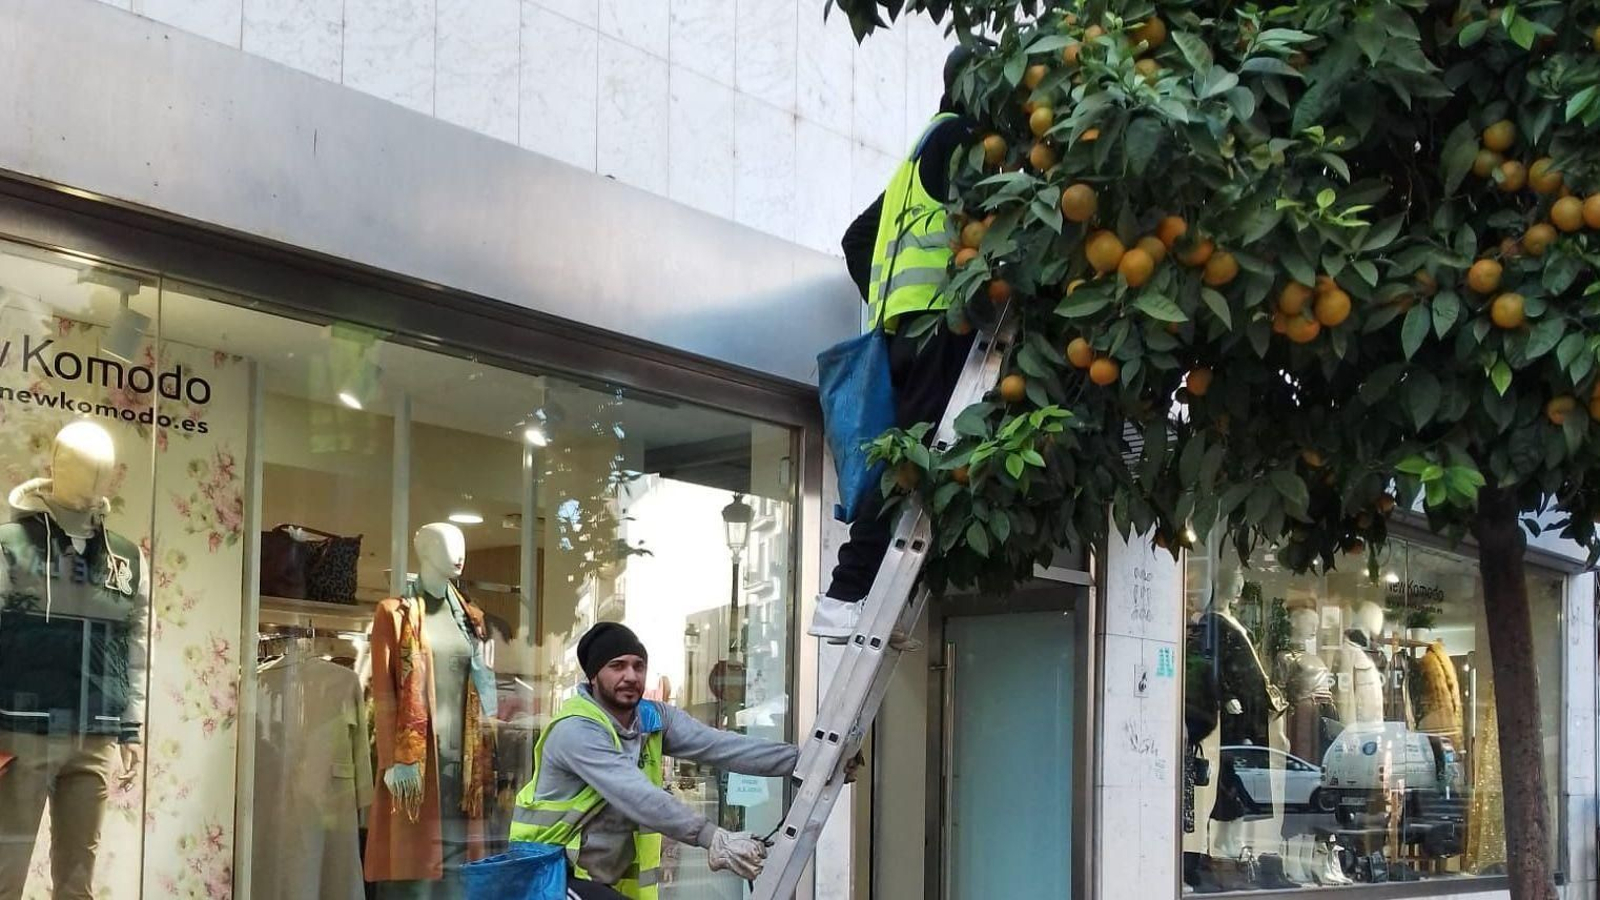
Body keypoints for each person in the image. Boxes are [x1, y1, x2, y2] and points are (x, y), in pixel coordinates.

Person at [810, 47, 978, 641]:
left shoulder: (918, 156)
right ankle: (847, 590)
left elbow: (858, 238)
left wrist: (888, 301)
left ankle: (874, 597)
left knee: (910, 463)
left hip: (903, 333)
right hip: (940, 328)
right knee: (909, 467)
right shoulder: (965, 138)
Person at [510, 623, 818, 899]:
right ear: (593, 676)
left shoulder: (652, 719)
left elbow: (720, 746)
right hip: (551, 875)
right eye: (617, 666)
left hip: (602, 880)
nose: (631, 676)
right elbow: (636, 794)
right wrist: (713, 838)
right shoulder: (577, 729)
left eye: (638, 666)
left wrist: (802, 761)